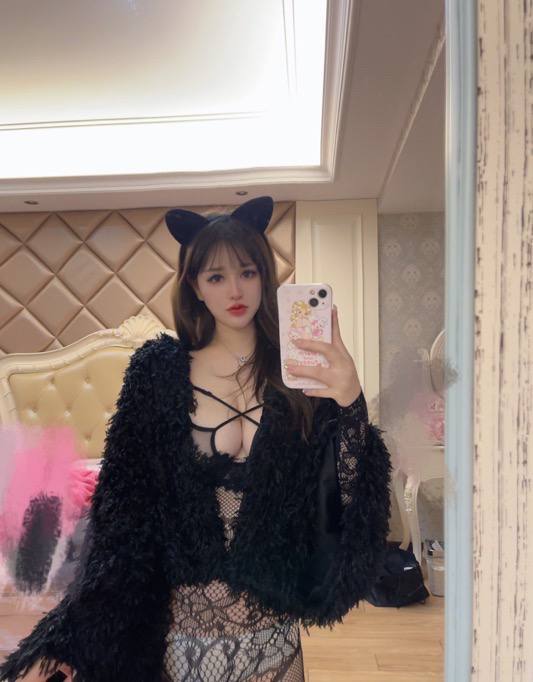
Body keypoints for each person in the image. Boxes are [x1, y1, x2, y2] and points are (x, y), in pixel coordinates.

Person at [0, 196, 392, 682]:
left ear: (265, 277)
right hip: (183, 647)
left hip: (275, 644)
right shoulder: (157, 374)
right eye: (216, 277)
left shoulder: (298, 378)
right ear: (194, 286)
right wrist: (68, 636)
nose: (235, 290)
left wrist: (351, 401)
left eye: (248, 272)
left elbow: (348, 497)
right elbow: (121, 518)